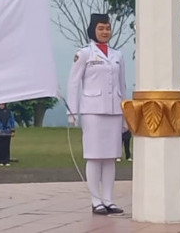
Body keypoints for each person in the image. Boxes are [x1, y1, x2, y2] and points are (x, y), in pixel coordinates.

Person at [67, 13, 126, 215]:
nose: (105, 32)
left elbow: (123, 85)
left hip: (114, 110)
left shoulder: (118, 55)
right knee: (94, 156)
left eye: (107, 28)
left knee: (111, 157)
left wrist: (125, 113)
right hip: (93, 109)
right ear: (93, 29)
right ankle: (95, 200)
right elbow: (74, 82)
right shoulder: (84, 54)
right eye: (101, 28)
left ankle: (108, 199)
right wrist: (72, 110)